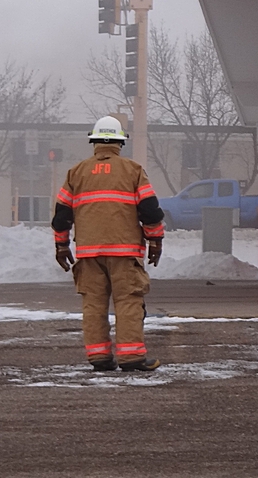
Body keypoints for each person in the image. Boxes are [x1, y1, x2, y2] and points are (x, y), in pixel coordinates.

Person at [50, 115, 166, 372]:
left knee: (93, 304)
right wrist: (155, 240)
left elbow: (61, 215)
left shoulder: (76, 172)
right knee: (128, 302)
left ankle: (99, 357)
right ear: (120, 143)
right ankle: (131, 357)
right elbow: (150, 211)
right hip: (125, 252)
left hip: (88, 253)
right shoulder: (133, 170)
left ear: (94, 142)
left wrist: (61, 245)